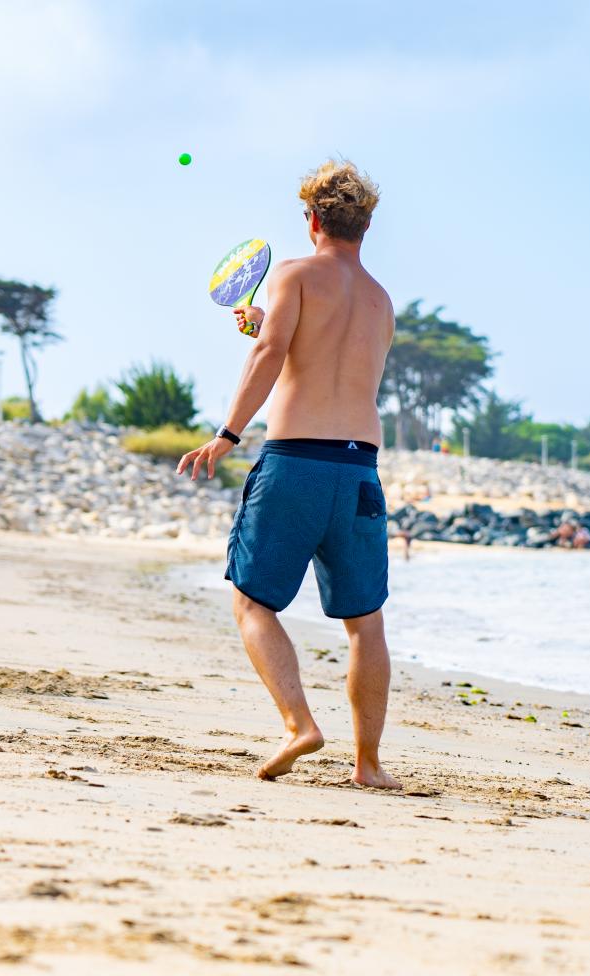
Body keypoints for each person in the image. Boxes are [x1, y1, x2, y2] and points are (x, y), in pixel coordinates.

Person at [178, 159, 400, 790]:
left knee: (251, 602)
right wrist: (270, 321)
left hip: (297, 461)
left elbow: (273, 352)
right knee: (366, 623)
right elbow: (335, 357)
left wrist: (226, 435)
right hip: (359, 471)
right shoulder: (383, 301)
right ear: (367, 226)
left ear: (312, 221)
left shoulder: (295, 274)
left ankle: (299, 723)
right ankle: (369, 765)